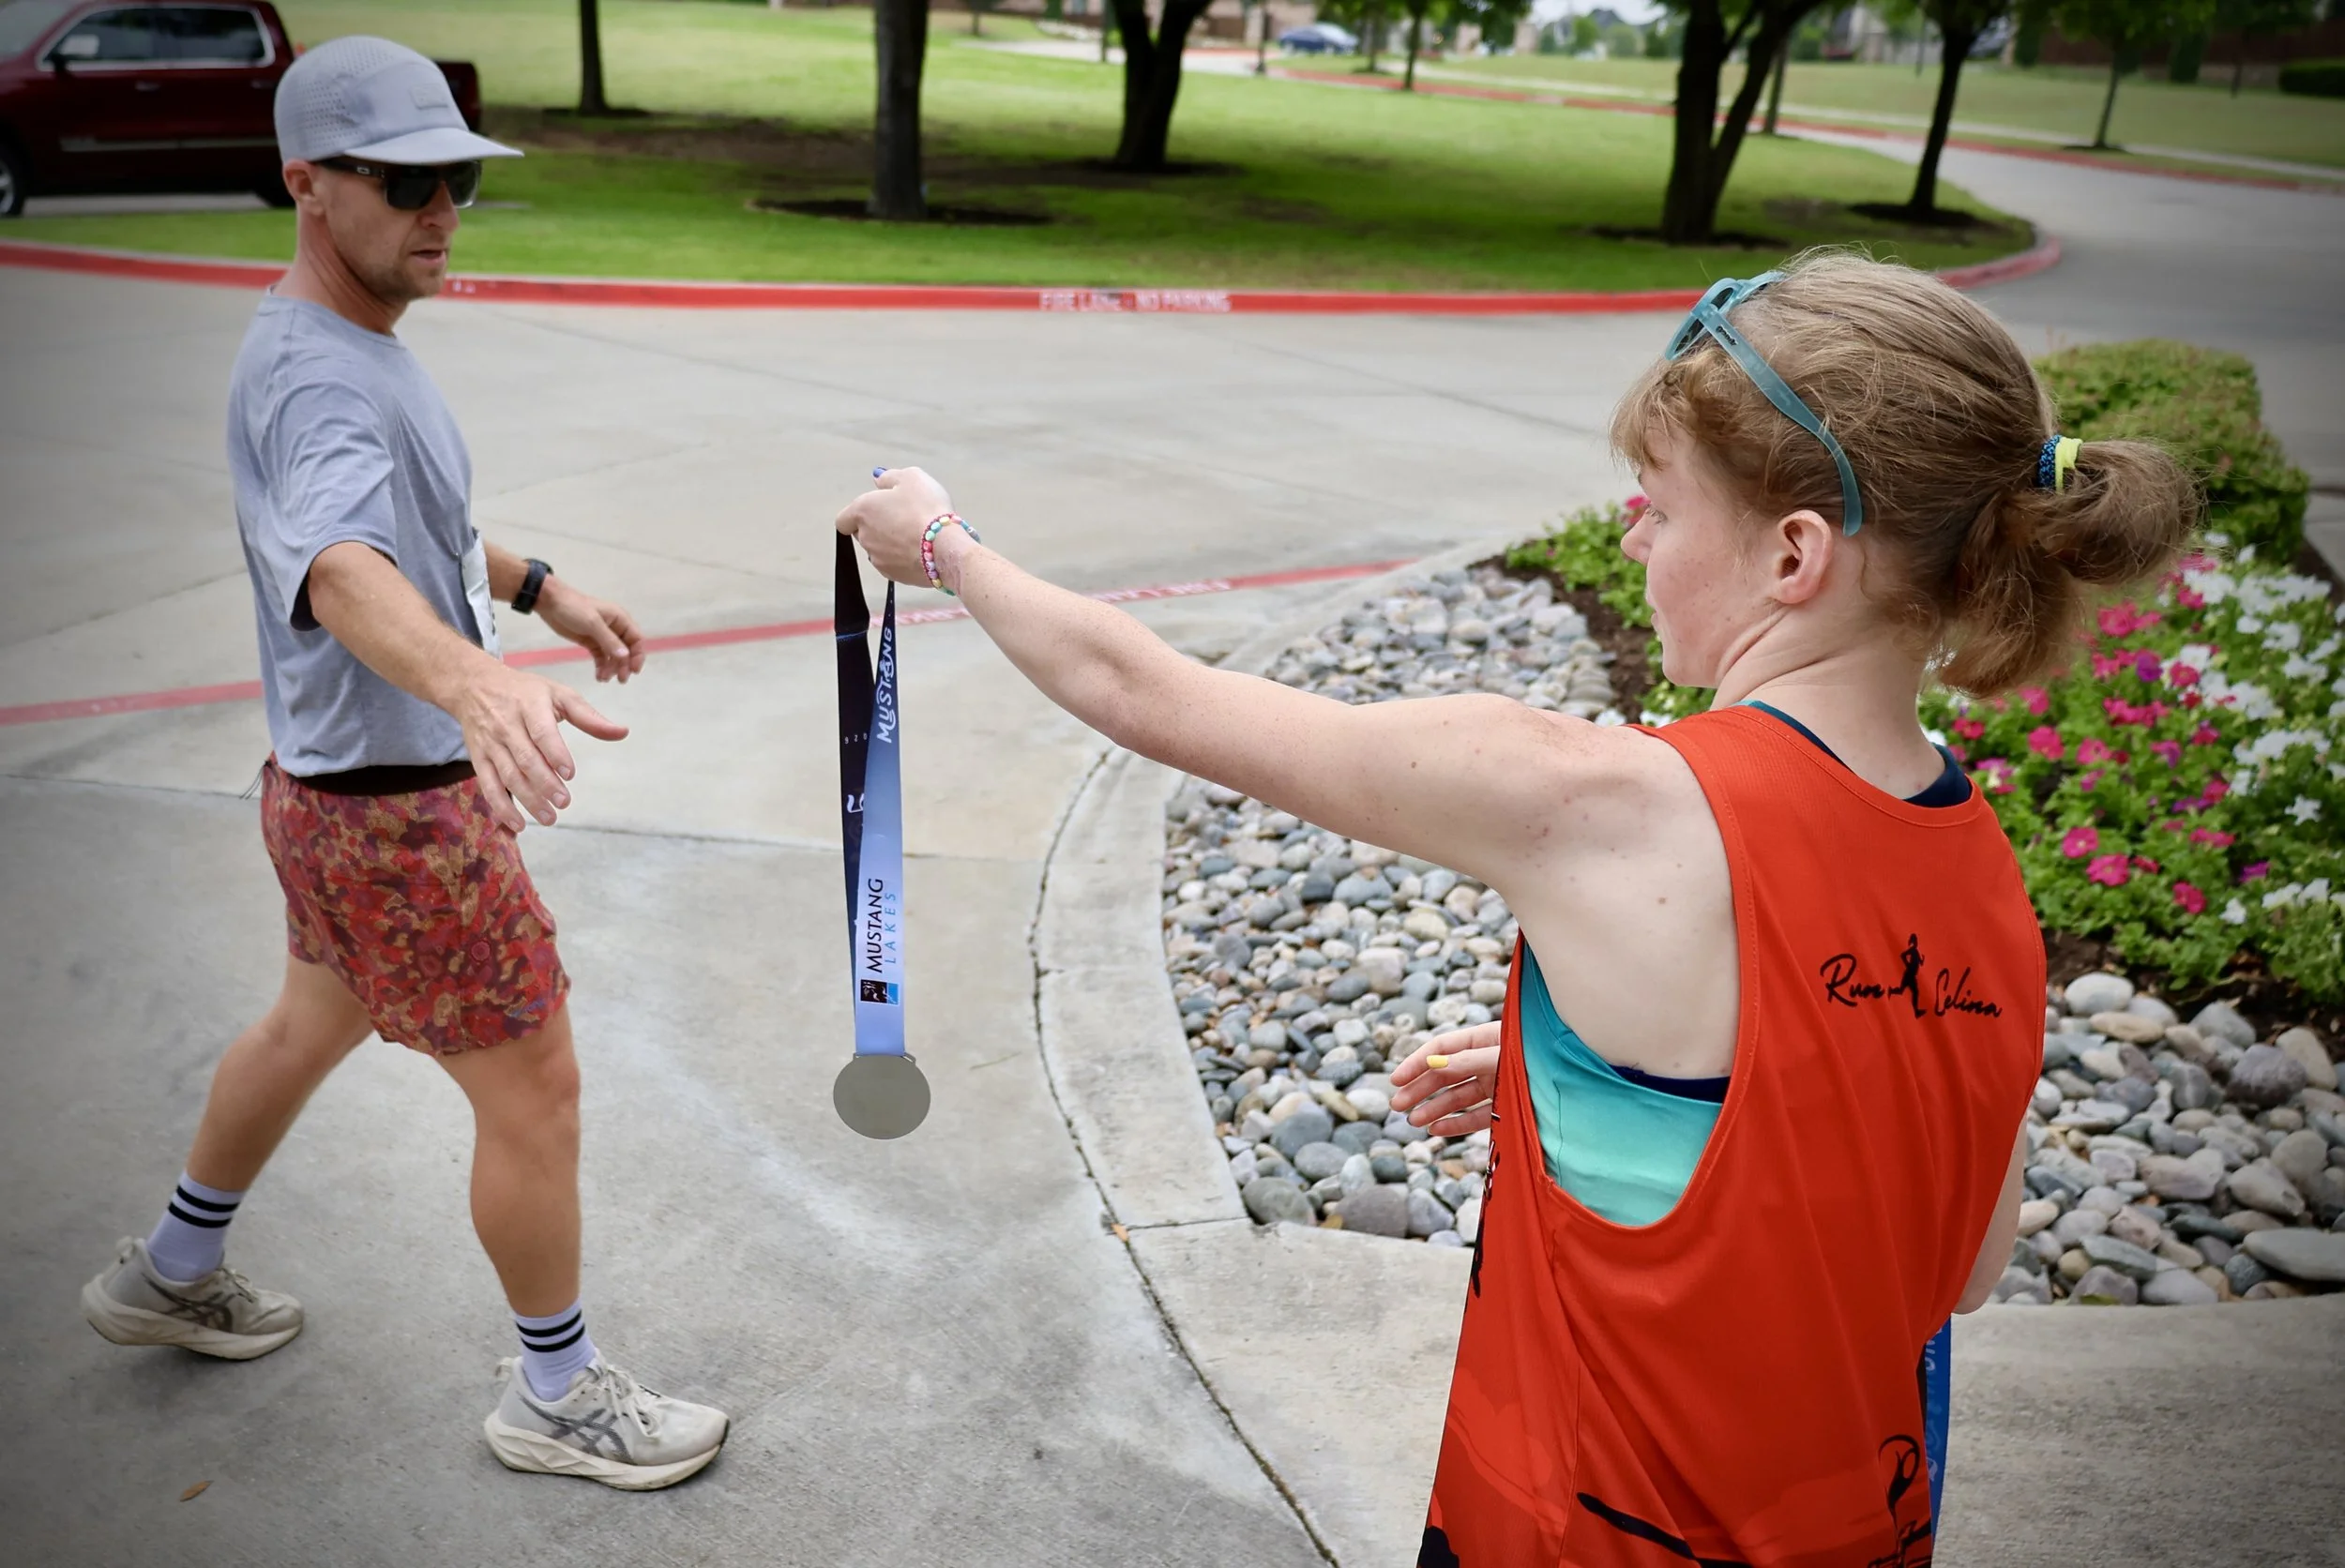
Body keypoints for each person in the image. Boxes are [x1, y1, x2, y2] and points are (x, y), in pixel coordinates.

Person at [836, 253, 2197, 1562]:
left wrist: (941, 545)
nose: (1632, 533)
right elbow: (1959, 1266)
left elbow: (1148, 694)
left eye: (1659, 504)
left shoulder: (1608, 803)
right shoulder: (1985, 876)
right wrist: (1623, 1106)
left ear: (1793, 555)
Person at [79, 36, 729, 1492]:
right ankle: (555, 1394)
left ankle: (170, 1270)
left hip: (321, 799)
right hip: (399, 819)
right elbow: (339, 565)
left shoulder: (329, 343)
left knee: (305, 1027)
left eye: (459, 184)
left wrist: (536, 586)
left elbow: (407, 524)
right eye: (406, 182)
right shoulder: (322, 380)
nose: (441, 211)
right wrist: (474, 680)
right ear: (307, 183)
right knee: (537, 1088)